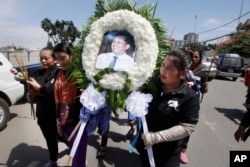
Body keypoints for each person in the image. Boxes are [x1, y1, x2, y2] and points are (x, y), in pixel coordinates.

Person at [136, 50, 200, 167]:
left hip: (168, 156)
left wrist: (156, 137)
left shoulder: (188, 96)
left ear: (183, 73)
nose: (163, 71)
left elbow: (187, 127)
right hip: (145, 148)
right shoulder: (152, 86)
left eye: (169, 68)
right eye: (163, 65)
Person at [53, 42, 88, 167]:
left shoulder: (82, 74)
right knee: (74, 150)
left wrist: (89, 91)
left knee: (78, 155)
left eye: (63, 58)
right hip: (63, 120)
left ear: (71, 56)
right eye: (57, 58)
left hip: (79, 121)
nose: (59, 62)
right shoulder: (59, 73)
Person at [26, 46, 60, 167]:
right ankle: (53, 159)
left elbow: (53, 93)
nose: (43, 61)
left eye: (46, 58)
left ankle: (77, 153)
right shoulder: (37, 73)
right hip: (43, 113)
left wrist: (39, 89)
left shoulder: (59, 74)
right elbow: (32, 94)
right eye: (41, 58)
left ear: (55, 59)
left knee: (65, 138)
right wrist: (30, 96)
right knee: (50, 139)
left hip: (57, 114)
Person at [180, 48, 208, 164]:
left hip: (193, 104)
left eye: (197, 57)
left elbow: (203, 90)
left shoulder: (203, 73)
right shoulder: (182, 68)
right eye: (193, 57)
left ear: (200, 58)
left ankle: (183, 150)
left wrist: (205, 89)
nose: (194, 59)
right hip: (180, 101)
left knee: (187, 128)